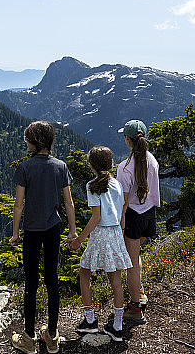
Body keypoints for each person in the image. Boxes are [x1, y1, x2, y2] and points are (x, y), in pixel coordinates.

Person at [10, 121, 77, 354]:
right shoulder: (60, 167)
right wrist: (72, 230)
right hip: (53, 228)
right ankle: (51, 335)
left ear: (34, 142)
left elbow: (19, 204)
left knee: (31, 282)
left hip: (31, 229)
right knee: (52, 279)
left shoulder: (25, 168)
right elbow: (68, 202)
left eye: (27, 138)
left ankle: (28, 338)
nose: (25, 142)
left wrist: (15, 232)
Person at [69, 146, 132, 342]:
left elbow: (96, 217)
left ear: (91, 165)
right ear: (111, 164)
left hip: (100, 234)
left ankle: (90, 321)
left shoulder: (92, 185)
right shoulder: (117, 184)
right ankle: (117, 327)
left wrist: (80, 239)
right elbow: (123, 211)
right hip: (115, 232)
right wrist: (120, 232)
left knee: (84, 273)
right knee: (116, 280)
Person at [117, 119, 160, 324]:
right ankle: (140, 290)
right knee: (136, 256)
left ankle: (136, 307)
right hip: (149, 214)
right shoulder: (152, 160)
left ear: (128, 140)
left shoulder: (124, 168)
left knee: (131, 263)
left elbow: (124, 202)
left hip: (133, 216)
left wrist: (121, 225)